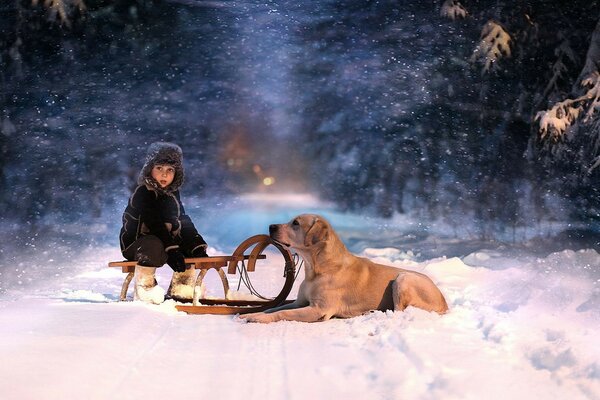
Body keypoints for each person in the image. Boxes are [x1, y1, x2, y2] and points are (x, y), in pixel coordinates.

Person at [119, 142, 208, 304]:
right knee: (154, 244)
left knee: (187, 246)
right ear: (149, 170)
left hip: (163, 242)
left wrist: (196, 244)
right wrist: (171, 249)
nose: (164, 175)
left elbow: (183, 220)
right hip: (138, 244)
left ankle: (182, 287)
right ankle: (146, 287)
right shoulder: (143, 192)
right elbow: (154, 222)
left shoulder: (173, 195)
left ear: (176, 173)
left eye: (170, 170)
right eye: (159, 168)